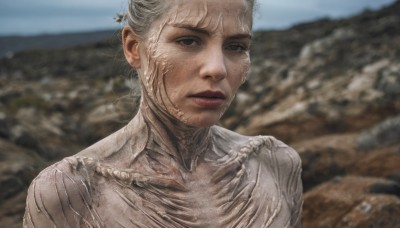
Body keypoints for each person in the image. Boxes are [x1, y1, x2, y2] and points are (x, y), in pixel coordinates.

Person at [23, 0, 303, 227]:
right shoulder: (69, 192)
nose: (217, 69)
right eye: (188, 41)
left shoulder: (276, 164)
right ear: (134, 48)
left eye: (236, 46)